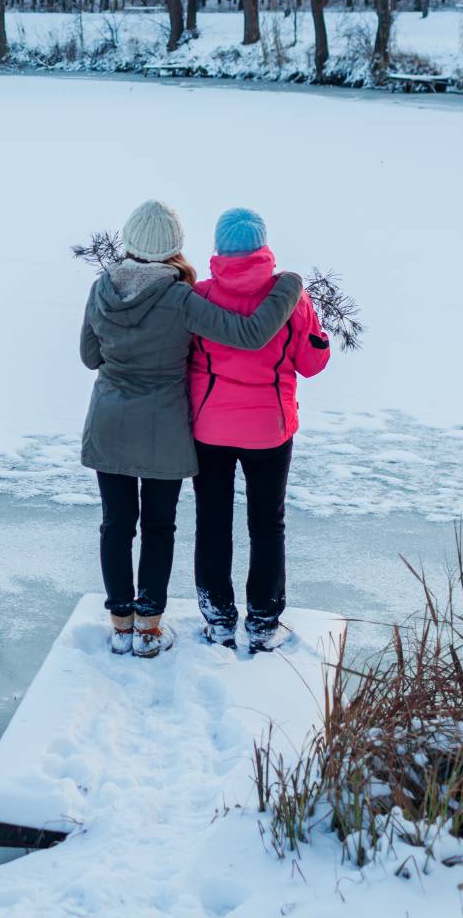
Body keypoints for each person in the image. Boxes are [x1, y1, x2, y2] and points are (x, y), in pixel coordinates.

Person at [80, 200, 302, 658]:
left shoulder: (101, 289)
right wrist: (289, 287)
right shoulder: (181, 298)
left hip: (108, 424)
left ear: (131, 242)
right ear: (175, 248)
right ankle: (148, 629)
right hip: (163, 430)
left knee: (116, 525)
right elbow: (249, 334)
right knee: (159, 526)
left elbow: (90, 357)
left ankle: (120, 623)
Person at [188, 207, 331, 654]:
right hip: (269, 429)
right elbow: (312, 364)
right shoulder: (290, 300)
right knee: (267, 525)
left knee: (212, 522)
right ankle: (264, 622)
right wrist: (317, 337)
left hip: (209, 427)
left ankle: (218, 620)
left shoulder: (200, 296)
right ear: (262, 246)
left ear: (218, 248)